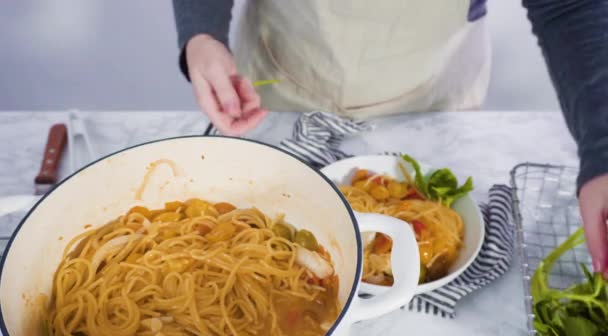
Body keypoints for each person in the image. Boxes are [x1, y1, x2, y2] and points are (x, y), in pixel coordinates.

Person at [172, 1, 608, 277]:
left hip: (435, 92)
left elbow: (569, 6)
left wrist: (602, 150)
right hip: (281, 76)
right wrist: (202, 31)